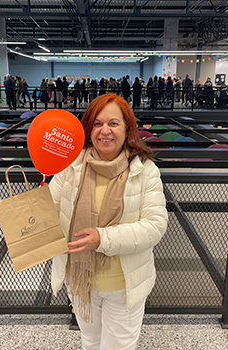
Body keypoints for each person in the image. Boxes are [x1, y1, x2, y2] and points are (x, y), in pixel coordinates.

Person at [48, 93, 168, 349]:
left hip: (123, 285)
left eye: (113, 123)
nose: (105, 131)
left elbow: (155, 226)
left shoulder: (144, 170)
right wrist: (22, 218)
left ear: (127, 129)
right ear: (88, 129)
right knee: (90, 340)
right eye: (97, 123)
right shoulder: (72, 165)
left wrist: (102, 238)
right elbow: (50, 206)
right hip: (81, 281)